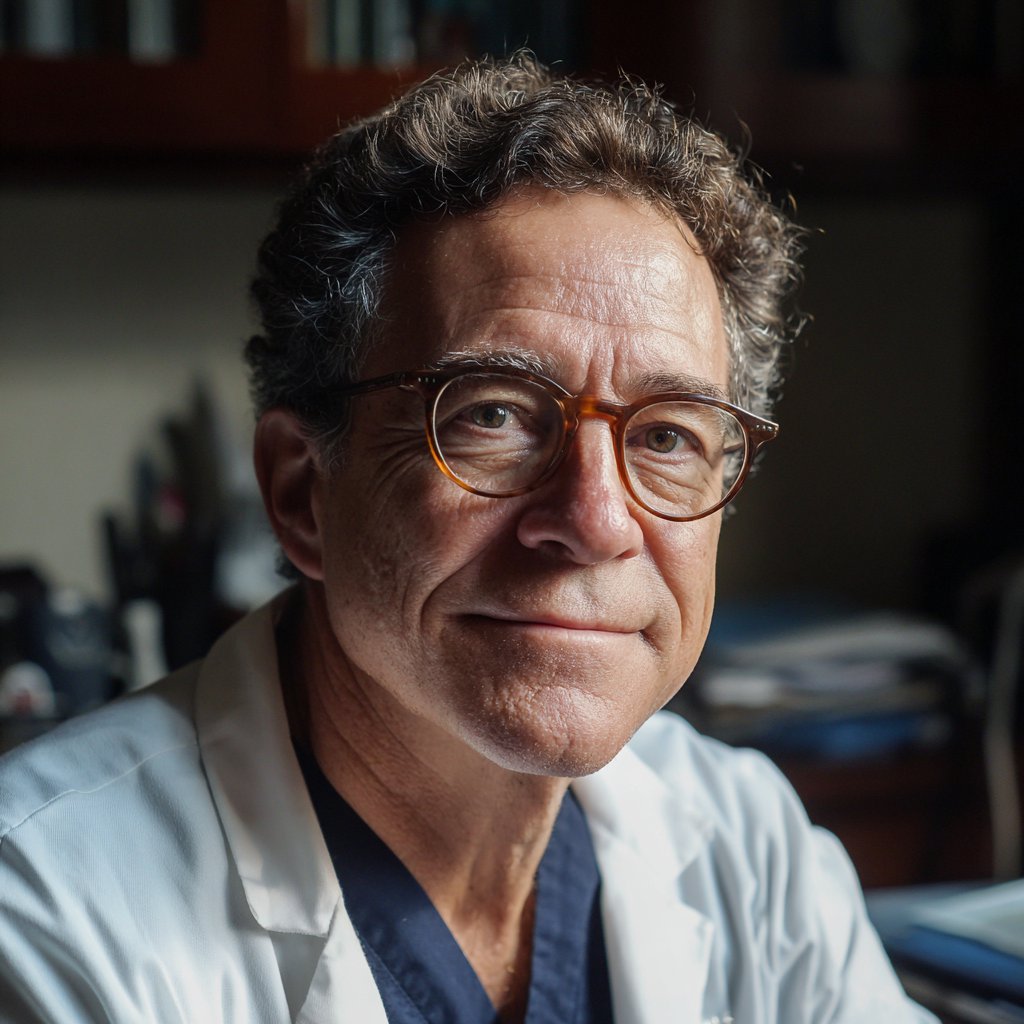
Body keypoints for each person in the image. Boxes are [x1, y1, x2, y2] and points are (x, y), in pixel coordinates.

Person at [0, 53, 935, 1024]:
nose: (594, 521)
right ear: (299, 490)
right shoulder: (45, 914)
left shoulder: (748, 847)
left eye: (665, 436)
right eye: (493, 415)